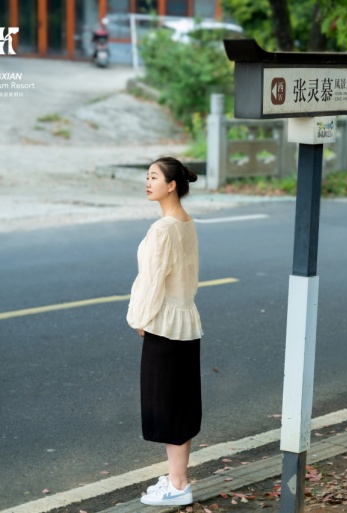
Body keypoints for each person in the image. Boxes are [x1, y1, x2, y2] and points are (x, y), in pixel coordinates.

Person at [127, 157, 203, 506]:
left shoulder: (164, 229)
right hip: (185, 324)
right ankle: (176, 479)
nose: (148, 182)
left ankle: (178, 486)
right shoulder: (185, 222)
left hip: (165, 328)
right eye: (147, 176)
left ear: (171, 185)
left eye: (154, 177)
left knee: (168, 407)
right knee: (180, 406)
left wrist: (141, 318)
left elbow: (152, 280)